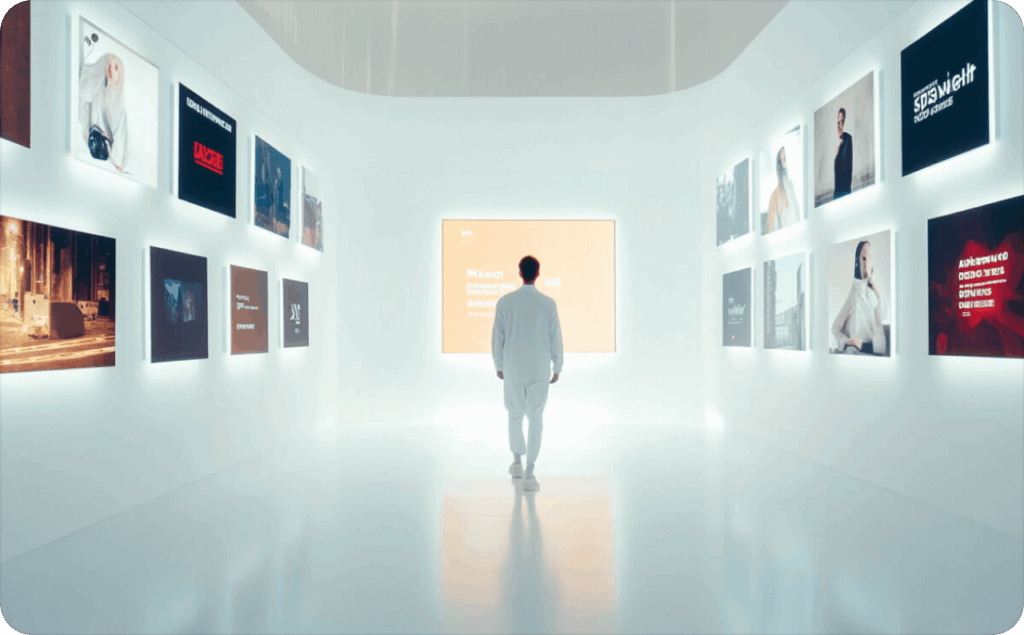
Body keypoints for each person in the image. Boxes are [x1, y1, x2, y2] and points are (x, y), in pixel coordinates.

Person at [492, 256, 563, 492]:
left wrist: (499, 365)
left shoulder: (505, 302)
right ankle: (530, 471)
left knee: (514, 415)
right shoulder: (548, 304)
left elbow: (497, 338)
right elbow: (556, 337)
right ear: (538, 273)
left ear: (519, 273)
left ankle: (517, 462)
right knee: (536, 419)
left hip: (513, 368)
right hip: (539, 369)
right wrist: (558, 365)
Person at [831, 240, 887, 355]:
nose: (866, 264)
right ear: (858, 261)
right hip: (854, 354)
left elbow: (881, 346)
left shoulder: (875, 294)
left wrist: (861, 344)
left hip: (870, 353)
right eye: (863, 259)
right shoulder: (855, 290)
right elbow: (835, 328)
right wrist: (847, 342)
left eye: (869, 258)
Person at [79, 52, 129, 173]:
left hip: (109, 154)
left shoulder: (121, 107)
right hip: (95, 144)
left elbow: (120, 135)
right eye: (109, 67)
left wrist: (115, 161)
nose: (111, 71)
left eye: (115, 68)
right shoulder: (97, 94)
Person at [766, 146, 800, 233]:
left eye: (784, 159)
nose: (784, 165)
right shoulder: (775, 195)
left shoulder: (790, 186)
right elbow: (770, 229)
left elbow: (796, 214)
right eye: (781, 161)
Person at [834, 107, 853, 199]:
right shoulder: (839, 145)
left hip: (844, 192)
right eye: (838, 122)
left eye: (842, 121)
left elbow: (846, 168)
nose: (840, 126)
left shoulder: (847, 139)